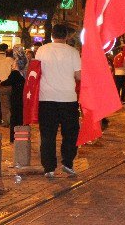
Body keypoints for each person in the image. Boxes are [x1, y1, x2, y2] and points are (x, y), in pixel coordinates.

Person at [35, 24, 82, 178]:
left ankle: (49, 167)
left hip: (46, 98)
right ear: (67, 36)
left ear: (52, 35)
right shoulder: (73, 52)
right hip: (68, 98)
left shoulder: (41, 50)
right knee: (70, 133)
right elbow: (79, 76)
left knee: (48, 134)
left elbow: (36, 72)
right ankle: (68, 163)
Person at [1, 46, 27, 142]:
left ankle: (14, 137)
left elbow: (7, 82)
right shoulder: (24, 73)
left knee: (15, 117)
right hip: (23, 96)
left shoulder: (15, 74)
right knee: (21, 116)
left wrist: (0, 83)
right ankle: (23, 134)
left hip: (16, 97)